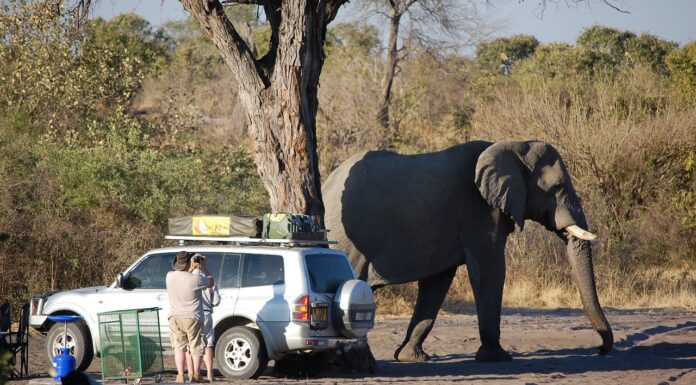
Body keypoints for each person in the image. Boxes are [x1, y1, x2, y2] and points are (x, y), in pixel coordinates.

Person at [166, 251, 214, 383]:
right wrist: (202, 267)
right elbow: (211, 282)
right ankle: (197, 375)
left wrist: (191, 268)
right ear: (189, 263)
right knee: (196, 347)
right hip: (193, 317)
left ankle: (180, 375)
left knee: (179, 347)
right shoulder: (196, 279)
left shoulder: (169, 276)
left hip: (174, 317)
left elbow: (182, 277)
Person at [186, 261, 220, 383]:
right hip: (206, 314)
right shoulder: (209, 279)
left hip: (192, 314)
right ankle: (210, 373)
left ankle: (192, 373)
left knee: (191, 344)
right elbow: (216, 301)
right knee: (208, 344)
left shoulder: (188, 279)